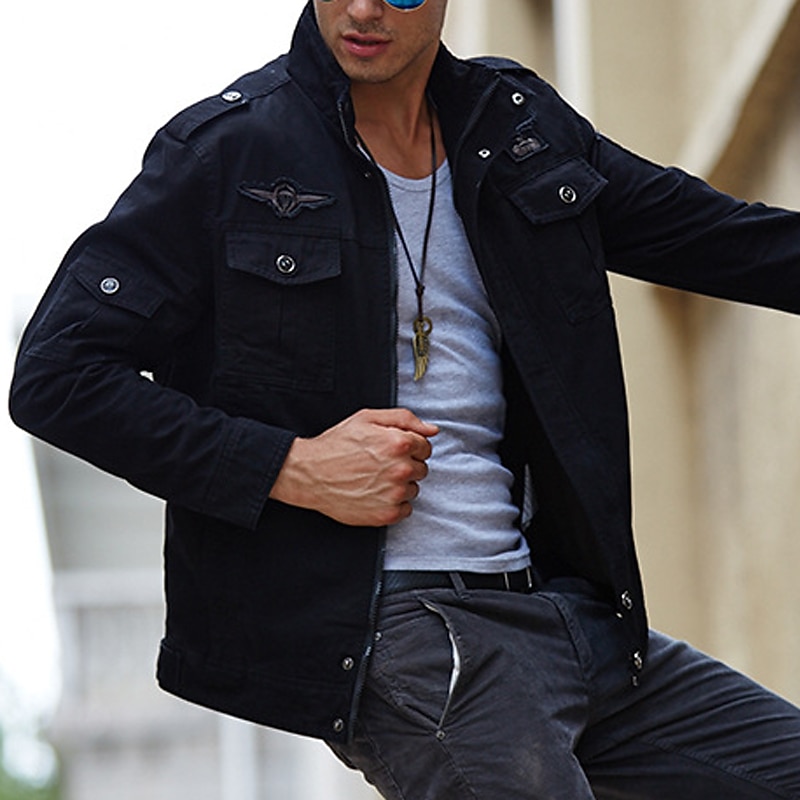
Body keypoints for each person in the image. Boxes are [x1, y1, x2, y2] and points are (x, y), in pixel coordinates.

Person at [9, 0, 800, 797]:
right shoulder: (229, 152)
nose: (363, 8)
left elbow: (723, 239)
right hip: (408, 630)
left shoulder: (516, 128)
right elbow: (58, 375)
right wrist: (292, 466)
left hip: (567, 616)